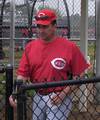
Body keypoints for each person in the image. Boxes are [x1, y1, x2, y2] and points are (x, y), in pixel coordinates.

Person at [9, 9, 89, 120]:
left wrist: (64, 93)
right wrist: (15, 93)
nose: (41, 30)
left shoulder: (69, 47)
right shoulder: (30, 47)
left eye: (45, 26)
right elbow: (22, 75)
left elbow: (80, 74)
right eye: (39, 26)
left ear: (54, 25)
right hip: (38, 96)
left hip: (60, 96)